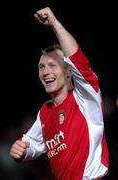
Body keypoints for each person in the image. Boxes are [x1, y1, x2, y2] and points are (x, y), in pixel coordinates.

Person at [10, 7, 109, 180]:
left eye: (52, 65)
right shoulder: (45, 112)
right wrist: (23, 150)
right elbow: (33, 142)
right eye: (42, 67)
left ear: (69, 72)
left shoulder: (85, 98)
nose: (45, 71)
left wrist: (55, 24)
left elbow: (78, 61)